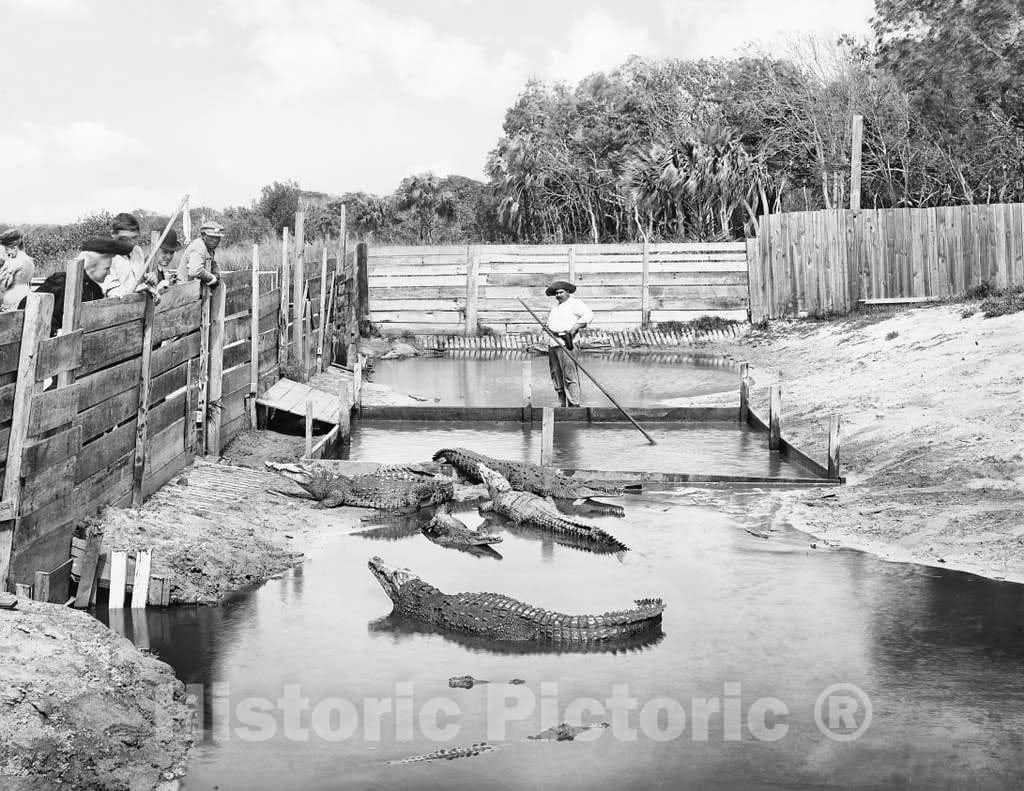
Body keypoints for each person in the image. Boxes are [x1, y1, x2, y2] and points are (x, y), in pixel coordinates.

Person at [22, 237, 134, 335]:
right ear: (93, 266)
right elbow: (25, 306)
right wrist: (55, 331)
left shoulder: (95, 290)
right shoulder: (62, 281)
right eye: (106, 268)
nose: (109, 273)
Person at [544, 279, 593, 407]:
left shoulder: (575, 303)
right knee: (556, 374)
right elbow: (551, 324)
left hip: (567, 343)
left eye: (560, 292)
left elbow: (588, 315)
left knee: (569, 375)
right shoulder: (555, 307)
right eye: (556, 293)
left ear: (567, 292)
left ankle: (574, 405)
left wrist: (573, 329)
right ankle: (561, 404)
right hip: (553, 343)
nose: (558, 295)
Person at [102, 212, 148, 297]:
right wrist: (139, 288)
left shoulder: (137, 251)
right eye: (124, 239)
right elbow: (113, 293)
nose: (130, 244)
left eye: (134, 238)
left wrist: (148, 280)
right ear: (113, 234)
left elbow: (140, 279)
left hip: (139, 306)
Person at [178, 220, 224, 287]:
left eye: (217, 237)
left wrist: (217, 274)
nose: (215, 240)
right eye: (211, 237)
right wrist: (212, 278)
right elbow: (195, 271)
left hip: (197, 291)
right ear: (203, 235)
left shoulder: (209, 248)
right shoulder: (198, 247)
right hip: (185, 290)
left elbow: (213, 264)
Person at [0, 228, 35, 311]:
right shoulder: (29, 260)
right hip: (26, 297)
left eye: (7, 249)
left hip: (12, 303)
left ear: (14, 247)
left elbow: (2, 285)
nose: (7, 253)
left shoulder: (13, 262)